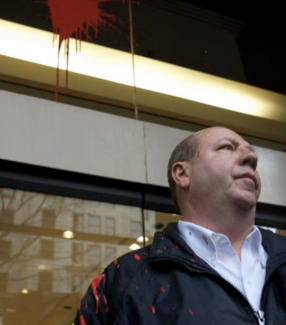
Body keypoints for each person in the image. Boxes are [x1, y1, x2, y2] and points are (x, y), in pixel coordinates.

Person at [74, 126, 286, 325]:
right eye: (227, 147)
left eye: (250, 152)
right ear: (182, 174)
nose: (252, 157)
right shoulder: (124, 281)